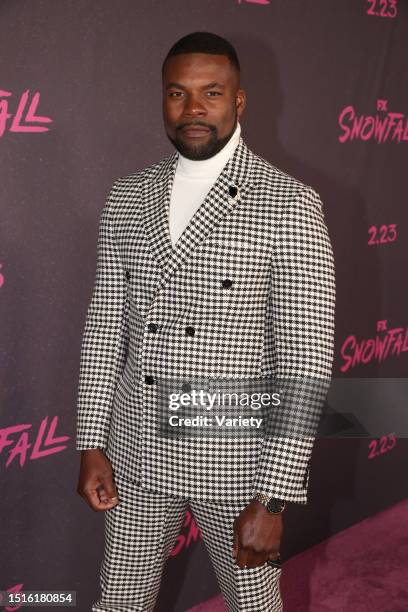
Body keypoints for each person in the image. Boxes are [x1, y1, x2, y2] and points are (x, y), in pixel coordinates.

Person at [76, 31, 336, 612]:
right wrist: (92, 439)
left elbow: (307, 361)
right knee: (117, 601)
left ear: (238, 102)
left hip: (237, 461)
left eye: (211, 93)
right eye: (177, 93)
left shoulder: (288, 203)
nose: (192, 110)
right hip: (136, 447)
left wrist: (273, 501)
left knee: (254, 607)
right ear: (162, 99)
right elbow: (103, 328)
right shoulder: (126, 196)